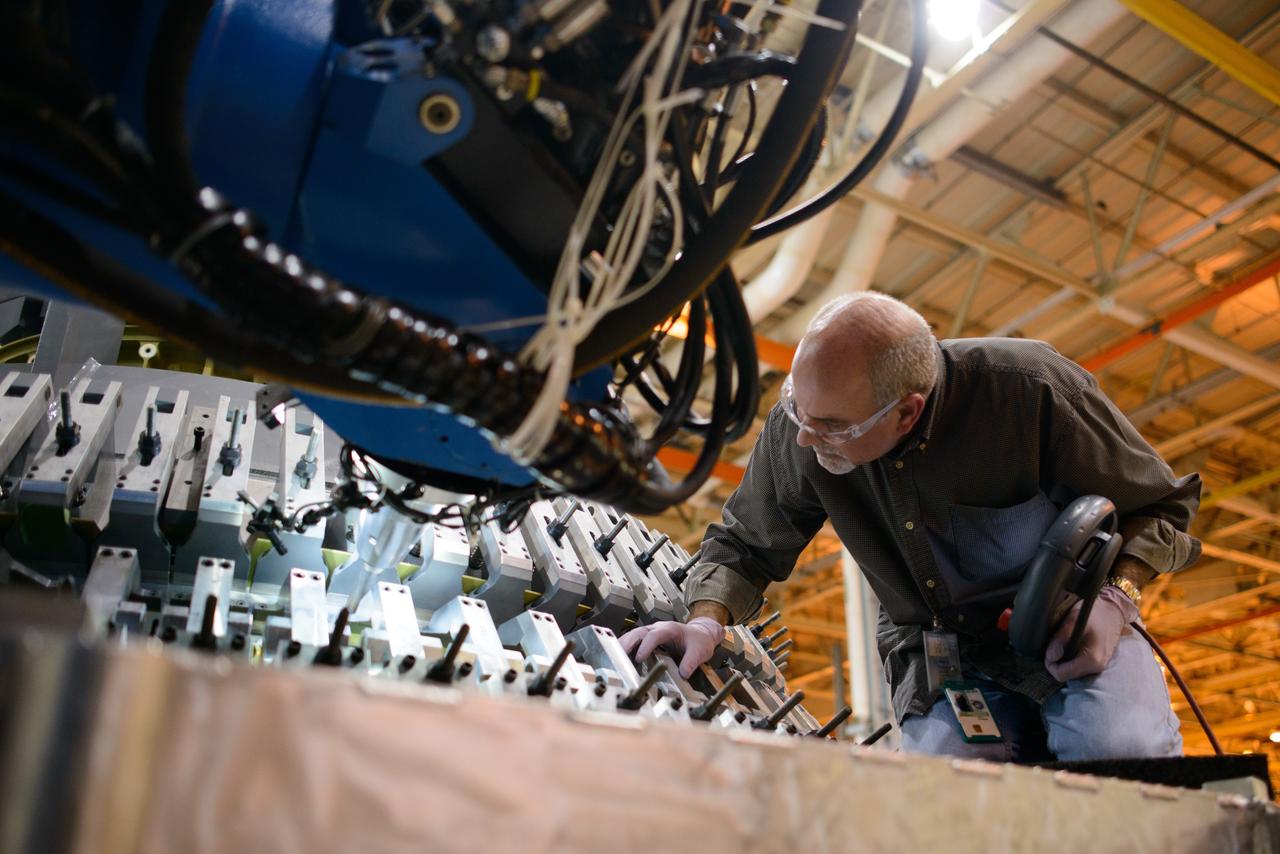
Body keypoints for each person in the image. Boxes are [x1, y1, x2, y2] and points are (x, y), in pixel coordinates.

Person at [620, 292, 1200, 762]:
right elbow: (746, 544)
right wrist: (705, 621)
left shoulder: (1030, 391)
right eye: (800, 411)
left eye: (832, 427)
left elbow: (1162, 507)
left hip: (1070, 631)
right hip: (937, 652)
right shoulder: (807, 422)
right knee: (948, 798)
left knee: (1119, 751)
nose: (805, 437)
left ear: (908, 411)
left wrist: (1114, 602)